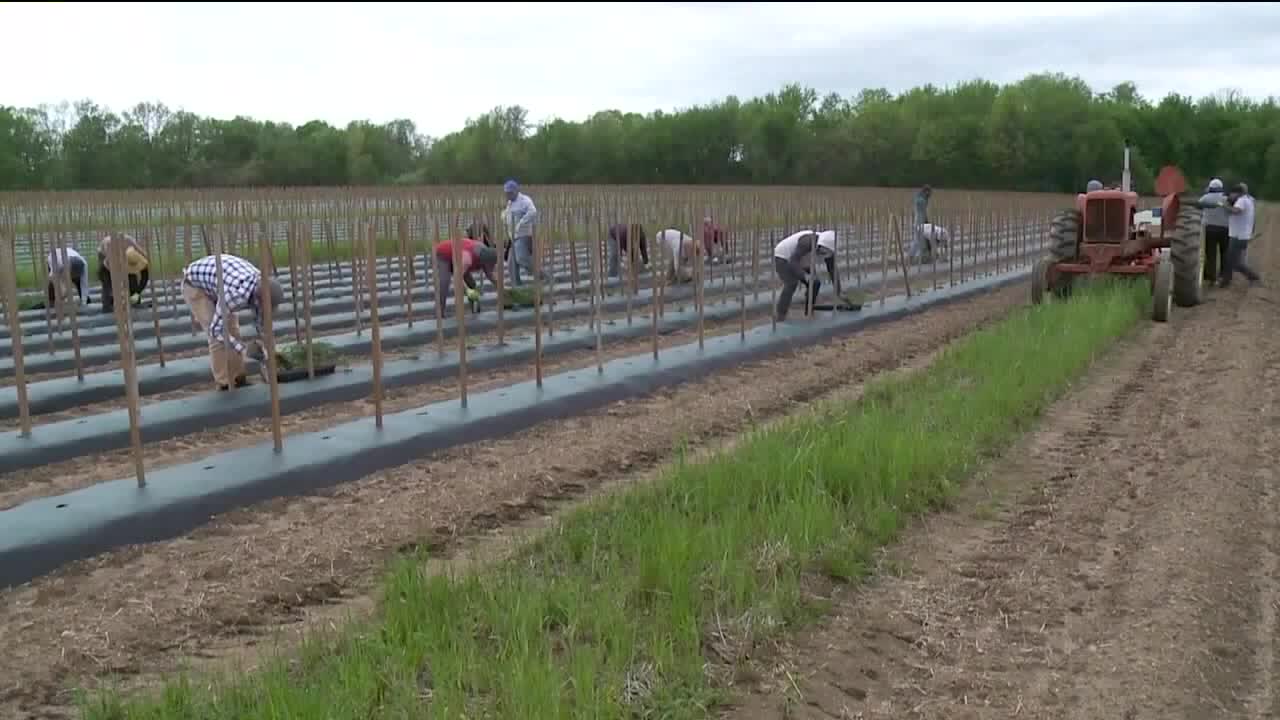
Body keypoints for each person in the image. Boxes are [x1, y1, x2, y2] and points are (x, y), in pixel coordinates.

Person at [181, 253, 285, 391]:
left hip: (220, 281)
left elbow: (263, 324)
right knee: (217, 339)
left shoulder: (262, 287)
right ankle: (224, 382)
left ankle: (238, 377)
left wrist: (269, 352)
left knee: (233, 330)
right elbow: (215, 330)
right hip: (195, 286)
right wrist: (243, 349)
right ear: (258, 300)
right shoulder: (236, 295)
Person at [773, 229, 840, 321]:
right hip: (783, 257)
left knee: (815, 283)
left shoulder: (828, 248)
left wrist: (838, 290)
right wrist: (805, 276)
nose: (822, 254)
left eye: (825, 253)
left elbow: (832, 269)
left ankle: (809, 310)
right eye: (822, 252)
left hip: (803, 260)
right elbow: (793, 261)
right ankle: (780, 315)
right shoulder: (807, 241)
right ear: (820, 245)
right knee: (791, 283)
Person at [433, 232, 499, 314]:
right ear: (481, 261)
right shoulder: (467, 259)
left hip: (458, 256)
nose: (489, 267)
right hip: (443, 255)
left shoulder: (488, 255)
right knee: (444, 282)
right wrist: (467, 290)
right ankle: (440, 312)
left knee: (471, 284)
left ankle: (475, 309)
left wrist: (502, 288)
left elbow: (490, 275)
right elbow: (457, 278)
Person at [501, 180, 544, 286]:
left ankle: (542, 276)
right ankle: (518, 288)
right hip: (513, 237)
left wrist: (521, 223)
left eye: (510, 192)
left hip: (524, 235)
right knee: (511, 265)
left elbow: (533, 212)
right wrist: (504, 216)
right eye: (506, 193)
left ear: (516, 190)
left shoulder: (525, 200)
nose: (508, 195)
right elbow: (508, 216)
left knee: (521, 258)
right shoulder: (510, 203)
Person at [1219, 182, 1261, 289]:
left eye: (1232, 193)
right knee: (1230, 259)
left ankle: (1254, 277)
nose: (1231, 196)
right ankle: (1226, 281)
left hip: (1238, 236)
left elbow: (1236, 211)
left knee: (1235, 262)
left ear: (1237, 193)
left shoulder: (1242, 201)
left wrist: (1224, 205)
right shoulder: (1249, 200)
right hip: (1240, 235)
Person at [97, 233, 150, 313]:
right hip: (105, 256)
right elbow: (108, 265)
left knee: (132, 278)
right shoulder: (109, 245)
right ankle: (107, 306)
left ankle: (135, 302)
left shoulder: (131, 244)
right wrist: (120, 292)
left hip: (125, 256)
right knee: (108, 281)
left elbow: (141, 253)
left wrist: (137, 292)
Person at [655, 227, 723, 283]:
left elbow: (695, 257)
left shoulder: (691, 241)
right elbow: (677, 266)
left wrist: (696, 269)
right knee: (676, 263)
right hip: (661, 238)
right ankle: (671, 278)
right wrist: (688, 274)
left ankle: (669, 277)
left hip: (670, 235)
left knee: (680, 261)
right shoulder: (678, 246)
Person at [1197, 178, 1230, 283]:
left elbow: (1198, 207)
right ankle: (1224, 276)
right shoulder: (1226, 199)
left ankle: (1211, 276)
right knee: (1225, 253)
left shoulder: (1204, 198)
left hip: (1210, 228)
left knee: (1210, 253)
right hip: (1225, 228)